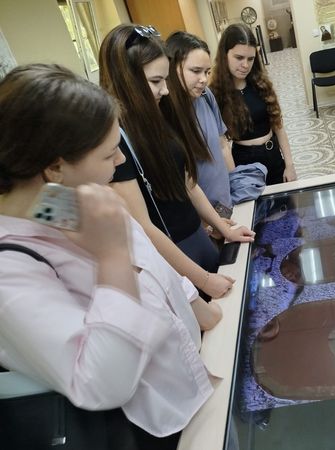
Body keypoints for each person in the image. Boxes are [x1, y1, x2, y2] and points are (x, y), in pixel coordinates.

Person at [0, 63, 221, 448]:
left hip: (190, 385)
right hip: (146, 426)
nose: (120, 161)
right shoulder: (10, 267)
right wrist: (112, 258)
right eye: (108, 154)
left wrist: (199, 308)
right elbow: (101, 381)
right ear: (55, 167)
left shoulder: (63, 200)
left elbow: (148, 263)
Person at [98, 24, 254, 298]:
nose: (166, 90)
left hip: (197, 237)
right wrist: (204, 280)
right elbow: (144, 227)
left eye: (166, 80)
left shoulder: (158, 114)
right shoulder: (116, 139)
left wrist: (222, 227)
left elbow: (187, 183)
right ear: (127, 79)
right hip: (172, 255)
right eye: (156, 81)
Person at [210, 23, 297, 186]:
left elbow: (278, 125)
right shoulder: (216, 94)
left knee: (286, 202)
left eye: (250, 59)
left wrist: (290, 165)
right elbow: (221, 145)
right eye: (239, 58)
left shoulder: (261, 83)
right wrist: (235, 180)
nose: (245, 65)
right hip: (244, 163)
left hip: (273, 155)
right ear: (224, 55)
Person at [164, 31, 234, 212]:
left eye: (207, 72)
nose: (204, 79)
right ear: (171, 67)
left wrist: (234, 185)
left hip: (227, 202)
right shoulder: (165, 115)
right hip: (203, 216)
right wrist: (209, 221)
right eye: (196, 71)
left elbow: (223, 145)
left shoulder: (205, 95)